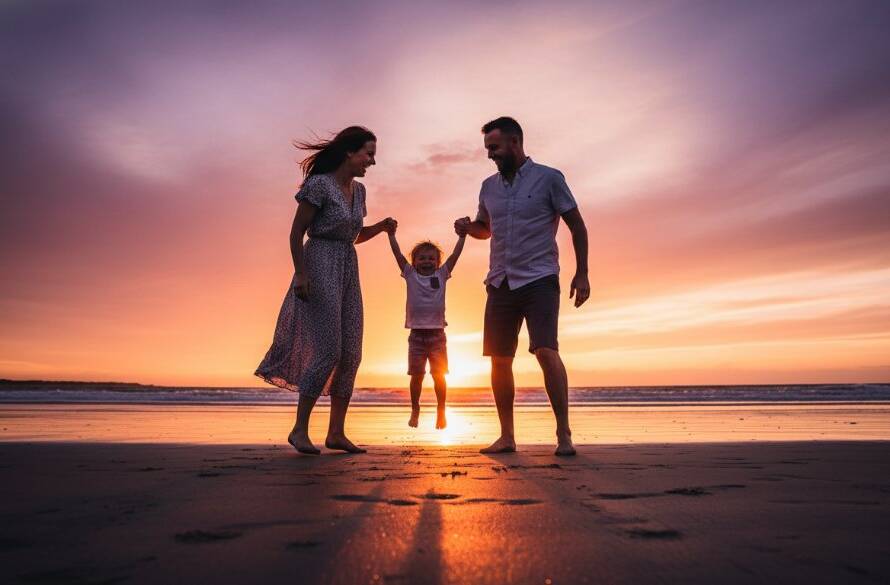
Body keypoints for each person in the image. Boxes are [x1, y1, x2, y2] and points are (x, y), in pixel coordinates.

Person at [455, 116, 590, 456]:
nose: (491, 155)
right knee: (499, 359)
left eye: (495, 148)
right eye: (488, 149)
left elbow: (577, 226)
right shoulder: (489, 187)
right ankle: (507, 436)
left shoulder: (549, 178)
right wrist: (467, 228)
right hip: (500, 281)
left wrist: (582, 273)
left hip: (540, 277)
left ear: (515, 142)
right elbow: (486, 228)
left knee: (545, 350)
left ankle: (563, 434)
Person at [255, 126, 394, 455]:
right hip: (318, 265)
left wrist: (381, 228)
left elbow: (353, 235)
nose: (371, 162)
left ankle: (336, 433)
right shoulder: (319, 185)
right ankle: (299, 429)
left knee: (352, 352)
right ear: (349, 152)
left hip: (348, 266)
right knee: (329, 349)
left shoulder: (358, 192)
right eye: (368, 154)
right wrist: (300, 273)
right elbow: (296, 233)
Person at [384, 221, 467, 429]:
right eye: (422, 258)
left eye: (432, 258)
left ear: (438, 262)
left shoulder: (442, 274)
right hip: (416, 336)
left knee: (439, 376)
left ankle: (441, 410)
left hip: (438, 336)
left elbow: (455, 256)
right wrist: (391, 234)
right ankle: (415, 408)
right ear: (414, 261)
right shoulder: (410, 274)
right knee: (417, 376)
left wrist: (462, 236)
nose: (427, 261)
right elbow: (397, 255)